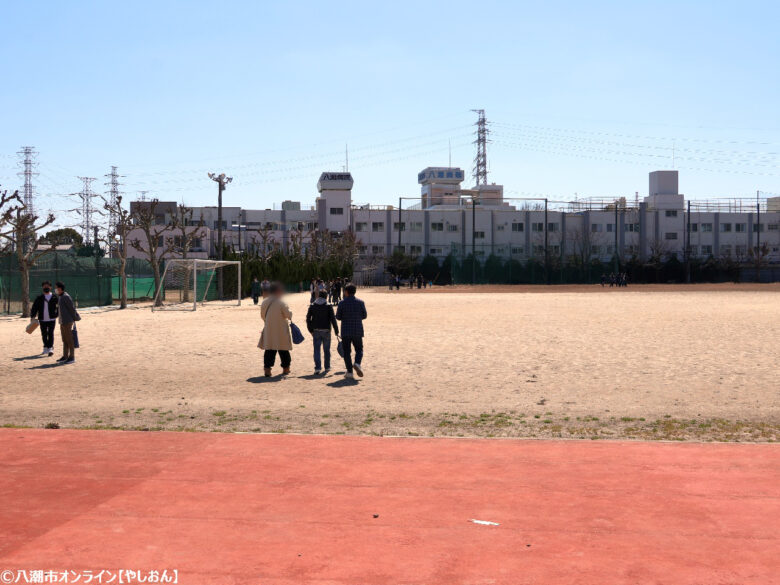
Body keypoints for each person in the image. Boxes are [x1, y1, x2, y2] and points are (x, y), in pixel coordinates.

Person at [260, 282, 293, 377]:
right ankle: (286, 368)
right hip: (281, 330)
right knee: (283, 350)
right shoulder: (281, 303)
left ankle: (267, 370)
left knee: (269, 350)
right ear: (278, 291)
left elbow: (262, 316)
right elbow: (289, 315)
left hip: (269, 329)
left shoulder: (264, 302)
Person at [336, 283, 367, 379]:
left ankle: (349, 372)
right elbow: (364, 315)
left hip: (346, 331)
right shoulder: (360, 302)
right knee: (359, 349)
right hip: (357, 330)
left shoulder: (342, 303)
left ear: (346, 292)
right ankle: (357, 363)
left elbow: (338, 317)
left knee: (346, 352)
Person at [306, 290, 339, 375]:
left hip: (316, 331)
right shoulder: (328, 305)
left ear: (318, 296)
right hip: (326, 330)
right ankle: (327, 367)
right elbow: (333, 319)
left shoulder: (312, 305)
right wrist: (336, 331)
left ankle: (317, 368)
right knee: (326, 350)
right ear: (326, 296)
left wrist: (310, 330)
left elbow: (308, 319)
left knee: (316, 350)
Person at [30, 280, 58, 356]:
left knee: (51, 333)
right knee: (44, 334)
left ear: (50, 287)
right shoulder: (39, 298)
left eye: (47, 286)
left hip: (52, 318)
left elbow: (58, 307)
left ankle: (50, 348)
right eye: (45, 286)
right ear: (42, 287)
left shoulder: (54, 297)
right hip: (42, 319)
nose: (46, 287)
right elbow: (34, 308)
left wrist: (57, 314)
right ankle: (45, 347)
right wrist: (32, 316)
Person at [55, 281, 80, 364]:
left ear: (60, 288)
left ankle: (72, 357)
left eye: (56, 288)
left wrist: (75, 317)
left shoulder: (66, 296)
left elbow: (72, 308)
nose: (56, 289)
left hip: (67, 321)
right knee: (64, 339)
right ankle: (65, 356)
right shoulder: (60, 296)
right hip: (62, 321)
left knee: (69, 340)